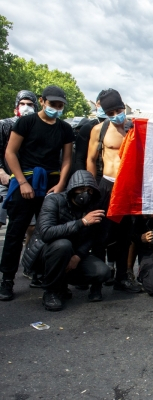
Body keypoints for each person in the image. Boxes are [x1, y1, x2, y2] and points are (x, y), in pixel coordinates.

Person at [0, 85, 74, 301]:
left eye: (60, 105)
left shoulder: (65, 128)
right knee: (15, 233)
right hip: (25, 181)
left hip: (51, 184)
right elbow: (10, 153)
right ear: (42, 101)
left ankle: (41, 274)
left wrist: (61, 184)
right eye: (52, 104)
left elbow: (67, 159)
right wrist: (22, 182)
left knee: (47, 234)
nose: (56, 108)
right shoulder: (26, 122)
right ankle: (7, 279)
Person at [21, 170, 111, 310]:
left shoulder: (92, 206)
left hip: (72, 254)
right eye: (81, 189)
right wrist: (82, 222)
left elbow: (92, 238)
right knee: (63, 245)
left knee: (102, 272)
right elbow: (46, 232)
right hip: (45, 255)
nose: (85, 193)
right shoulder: (54, 200)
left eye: (89, 190)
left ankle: (62, 283)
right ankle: (51, 291)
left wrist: (78, 256)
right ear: (72, 189)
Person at [86, 89, 142, 294]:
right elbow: (91, 159)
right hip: (107, 185)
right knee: (100, 235)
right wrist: (91, 187)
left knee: (125, 236)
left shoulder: (135, 128)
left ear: (124, 107)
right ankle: (97, 283)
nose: (116, 115)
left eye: (119, 110)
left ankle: (121, 277)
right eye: (111, 113)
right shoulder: (99, 130)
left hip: (127, 188)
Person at [0, 90, 39, 228]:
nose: (25, 107)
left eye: (29, 104)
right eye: (22, 103)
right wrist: (1, 172)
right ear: (16, 106)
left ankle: (28, 250)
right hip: (4, 179)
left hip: (29, 180)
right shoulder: (4, 125)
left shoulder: (38, 127)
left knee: (31, 226)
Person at [73, 90, 108, 172]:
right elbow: (79, 159)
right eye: (100, 103)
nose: (102, 106)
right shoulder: (88, 128)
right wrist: (83, 180)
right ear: (96, 105)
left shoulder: (120, 128)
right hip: (92, 175)